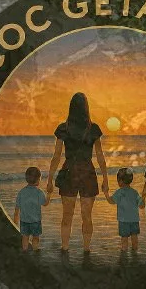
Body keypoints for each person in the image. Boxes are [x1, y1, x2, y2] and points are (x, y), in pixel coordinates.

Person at [48, 90, 108, 253]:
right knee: (87, 216)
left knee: (67, 215)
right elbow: (100, 156)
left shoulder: (63, 128)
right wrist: (105, 179)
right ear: (86, 108)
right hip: (87, 172)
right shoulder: (93, 128)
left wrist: (49, 179)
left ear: (71, 108)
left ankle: (65, 247)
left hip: (69, 171)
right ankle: (86, 249)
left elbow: (56, 156)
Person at [107, 167, 143, 259]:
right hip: (134, 220)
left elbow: (111, 201)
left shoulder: (119, 192)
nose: (118, 182)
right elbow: (141, 205)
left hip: (123, 221)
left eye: (118, 180)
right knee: (134, 237)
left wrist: (106, 193)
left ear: (121, 181)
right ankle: (135, 253)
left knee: (124, 239)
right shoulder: (134, 192)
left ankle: (124, 255)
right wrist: (143, 197)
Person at [14, 166, 45, 251]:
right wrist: (49, 195)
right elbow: (45, 203)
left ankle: (25, 250)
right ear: (38, 179)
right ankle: (35, 249)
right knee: (36, 237)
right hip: (36, 221)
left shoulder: (21, 192)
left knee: (25, 237)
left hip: (24, 220)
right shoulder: (39, 192)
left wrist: (15, 222)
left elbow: (17, 209)